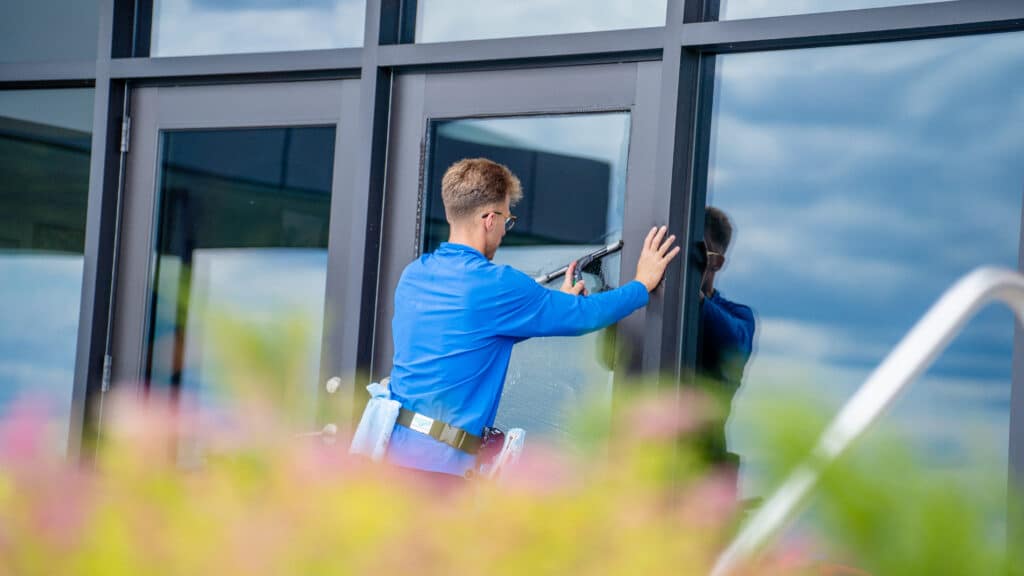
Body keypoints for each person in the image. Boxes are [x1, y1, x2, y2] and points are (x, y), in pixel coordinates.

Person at [385, 157, 680, 480]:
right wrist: (642, 284)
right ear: (489, 219)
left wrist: (552, 307)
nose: (504, 232)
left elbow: (472, 335)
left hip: (391, 460)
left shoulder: (415, 275)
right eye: (508, 221)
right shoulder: (495, 284)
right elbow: (585, 315)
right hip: (439, 473)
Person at [697, 206, 755, 467]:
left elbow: (733, 343)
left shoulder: (738, 318)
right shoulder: (652, 307)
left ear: (715, 261)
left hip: (703, 467)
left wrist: (685, 287)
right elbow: (608, 359)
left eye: (694, 249)